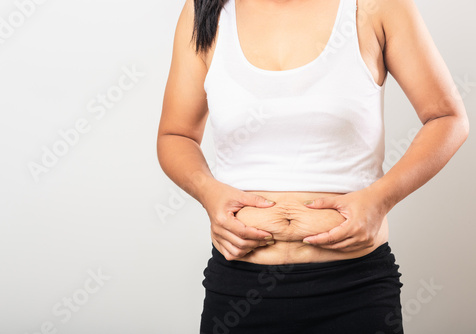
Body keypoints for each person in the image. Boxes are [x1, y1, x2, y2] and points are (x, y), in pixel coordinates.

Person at [156, 0, 469, 333]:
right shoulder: (204, 11)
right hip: (238, 290)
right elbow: (175, 134)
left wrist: (380, 199)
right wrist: (209, 192)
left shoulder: (376, 6)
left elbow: (447, 118)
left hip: (354, 288)